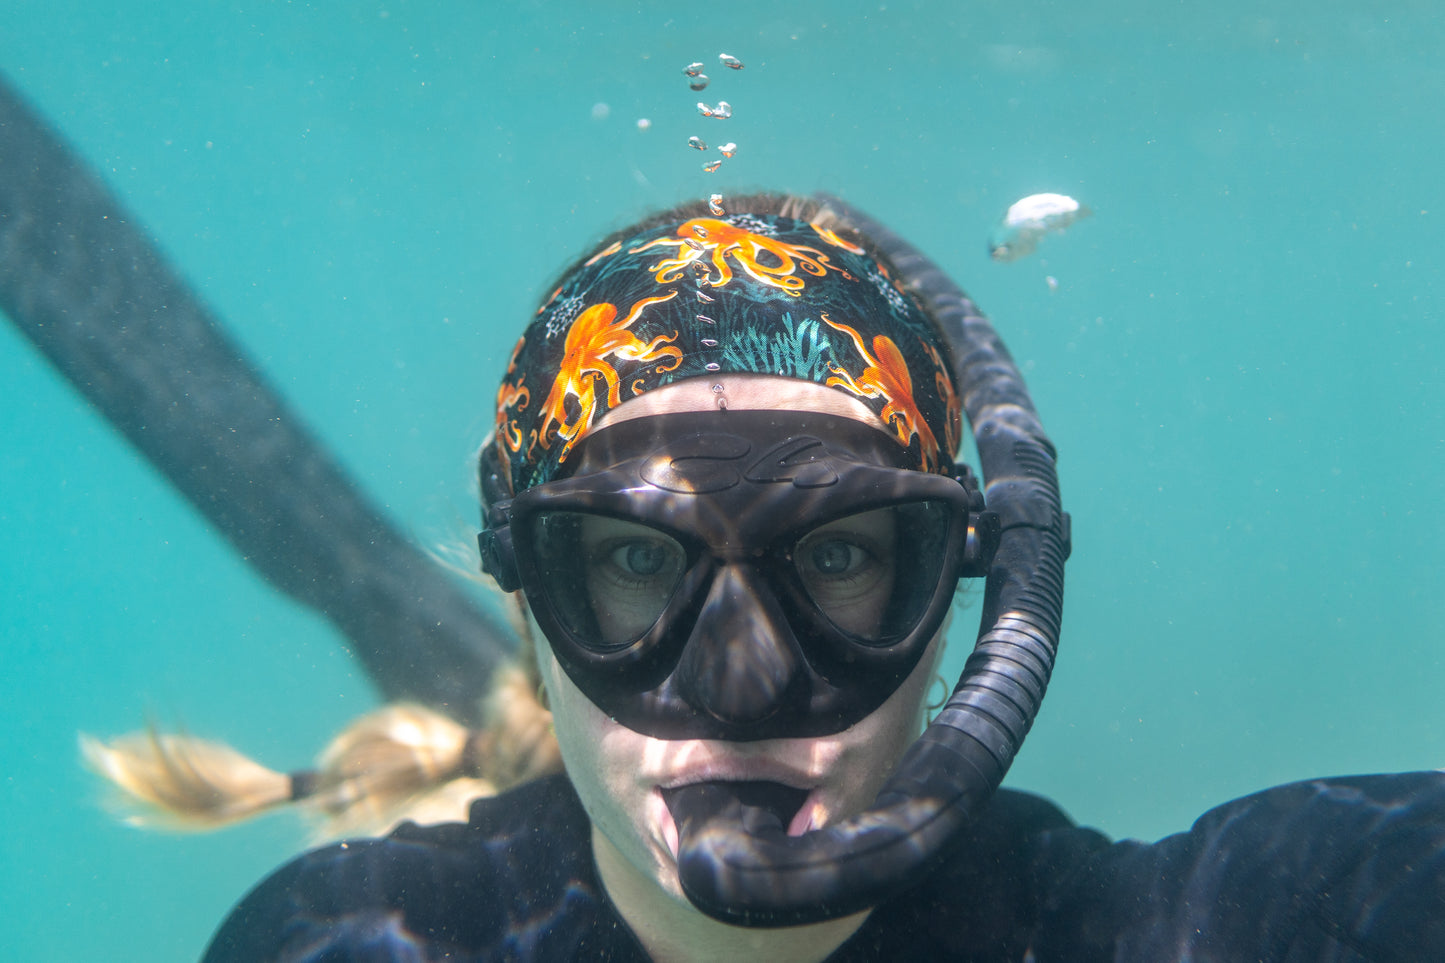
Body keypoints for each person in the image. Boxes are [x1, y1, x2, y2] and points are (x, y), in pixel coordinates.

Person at [202, 193, 1445, 962]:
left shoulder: (1124, 932)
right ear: (527, 597)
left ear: (970, 588)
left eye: (838, 555)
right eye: (637, 559)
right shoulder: (351, 944)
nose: (741, 686)